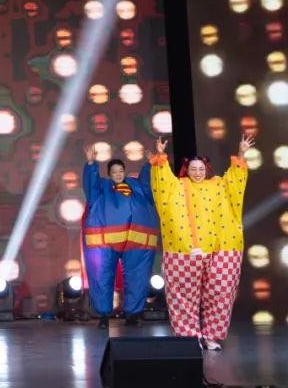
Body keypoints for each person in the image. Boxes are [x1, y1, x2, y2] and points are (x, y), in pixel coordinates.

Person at [150, 135, 250, 351]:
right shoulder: (177, 186)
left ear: (207, 169)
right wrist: (160, 156)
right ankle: (189, 338)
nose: (197, 172)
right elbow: (161, 182)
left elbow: (235, 182)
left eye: (201, 169)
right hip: (184, 250)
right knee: (183, 296)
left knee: (221, 294)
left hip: (222, 249)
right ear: (186, 170)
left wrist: (241, 154)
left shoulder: (218, 185)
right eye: (193, 169)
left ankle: (212, 337)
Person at [81, 144, 159, 328]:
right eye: (114, 172)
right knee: (101, 275)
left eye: (120, 171)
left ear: (125, 172)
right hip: (105, 241)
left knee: (137, 275)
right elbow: (90, 186)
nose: (118, 174)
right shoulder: (102, 187)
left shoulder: (136, 186)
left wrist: (149, 164)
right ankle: (104, 315)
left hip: (136, 239)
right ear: (109, 174)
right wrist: (91, 163)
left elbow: (147, 184)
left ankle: (133, 313)